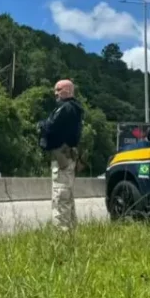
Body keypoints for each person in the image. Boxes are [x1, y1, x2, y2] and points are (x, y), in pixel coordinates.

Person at [37, 79, 84, 232]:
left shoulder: (66, 108)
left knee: (60, 199)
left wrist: (41, 125)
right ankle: (71, 234)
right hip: (68, 158)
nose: (55, 93)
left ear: (69, 90)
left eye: (59, 89)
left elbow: (50, 127)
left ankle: (61, 238)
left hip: (62, 159)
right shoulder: (74, 108)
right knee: (67, 198)